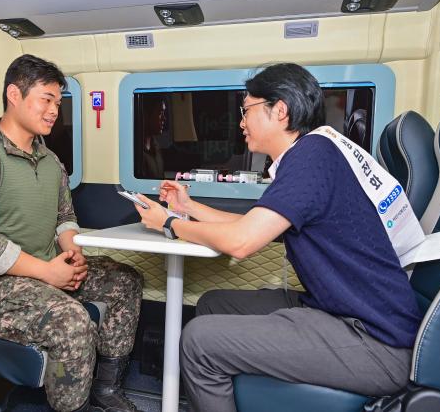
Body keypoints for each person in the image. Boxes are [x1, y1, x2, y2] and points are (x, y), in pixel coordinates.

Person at [133, 63, 422, 412]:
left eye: (247, 110)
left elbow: (242, 241)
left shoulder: (312, 157)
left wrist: (169, 223)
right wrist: (187, 205)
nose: (241, 122)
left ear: (280, 110)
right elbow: (252, 225)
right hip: (339, 312)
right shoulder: (310, 155)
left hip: (375, 342)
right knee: (213, 303)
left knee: (198, 341)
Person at [0, 54, 144, 412]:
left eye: (58, 102)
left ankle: (105, 391)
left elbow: (64, 215)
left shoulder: (51, 161)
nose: (54, 111)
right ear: (14, 95)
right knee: (72, 321)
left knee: (124, 280)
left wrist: (72, 250)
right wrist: (47, 271)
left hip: (43, 269)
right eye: (46, 99)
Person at [136, 100, 166, 179]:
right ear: (146, 115)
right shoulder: (134, 150)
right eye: (160, 113)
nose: (164, 118)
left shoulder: (156, 146)